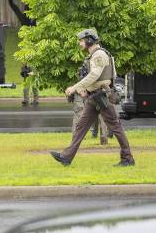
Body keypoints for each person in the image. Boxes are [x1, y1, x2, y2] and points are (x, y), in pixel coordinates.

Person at [52, 29, 134, 166]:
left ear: (89, 40)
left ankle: (127, 159)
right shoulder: (95, 55)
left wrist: (75, 87)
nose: (79, 43)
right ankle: (66, 157)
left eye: (81, 40)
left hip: (102, 96)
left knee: (115, 127)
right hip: (94, 97)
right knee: (81, 127)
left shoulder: (99, 54)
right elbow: (99, 76)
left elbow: (95, 75)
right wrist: (86, 89)